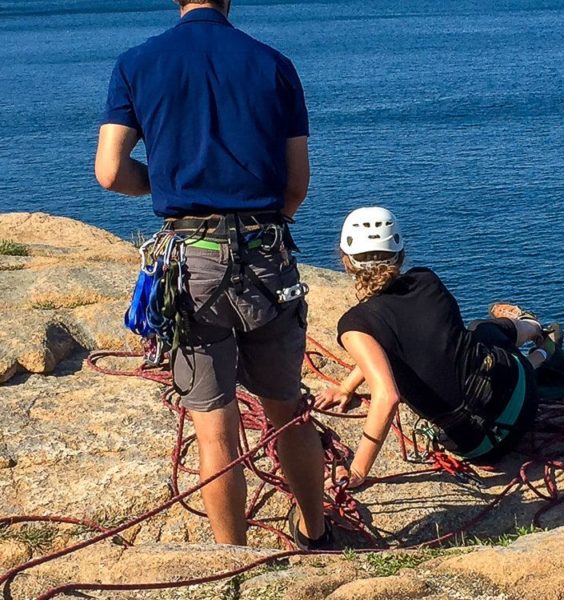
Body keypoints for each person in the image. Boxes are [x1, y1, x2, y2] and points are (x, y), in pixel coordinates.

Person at [95, 0, 331, 550]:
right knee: (285, 408)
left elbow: (110, 172)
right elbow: (296, 184)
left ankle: (232, 558)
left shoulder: (136, 63)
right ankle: (316, 535)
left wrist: (176, 183)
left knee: (214, 421)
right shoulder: (273, 63)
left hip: (190, 261)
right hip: (267, 256)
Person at [315, 207, 563, 487]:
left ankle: (538, 355)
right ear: (401, 255)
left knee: (479, 335)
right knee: (482, 330)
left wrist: (358, 471)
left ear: (346, 262)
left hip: (480, 448)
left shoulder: (355, 325)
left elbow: (386, 395)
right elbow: (397, 354)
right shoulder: (427, 281)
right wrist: (347, 386)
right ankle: (532, 328)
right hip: (524, 398)